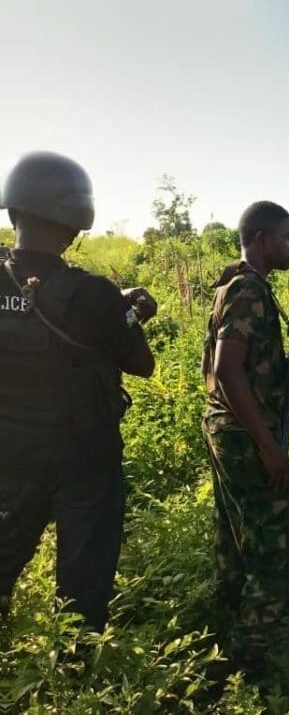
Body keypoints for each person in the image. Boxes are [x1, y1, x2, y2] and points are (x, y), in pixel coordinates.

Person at [0, 151, 157, 630]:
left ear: (15, 211)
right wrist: (130, 314)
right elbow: (141, 363)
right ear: (73, 222)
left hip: (9, 453)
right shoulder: (93, 293)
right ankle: (73, 674)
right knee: (82, 590)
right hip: (84, 459)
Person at [201, 200, 289, 672]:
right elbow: (226, 370)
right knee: (273, 543)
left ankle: (222, 625)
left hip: (231, 427)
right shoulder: (247, 290)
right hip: (244, 433)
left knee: (233, 532)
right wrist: (268, 446)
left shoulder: (237, 283)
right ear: (262, 240)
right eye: (286, 237)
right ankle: (249, 658)